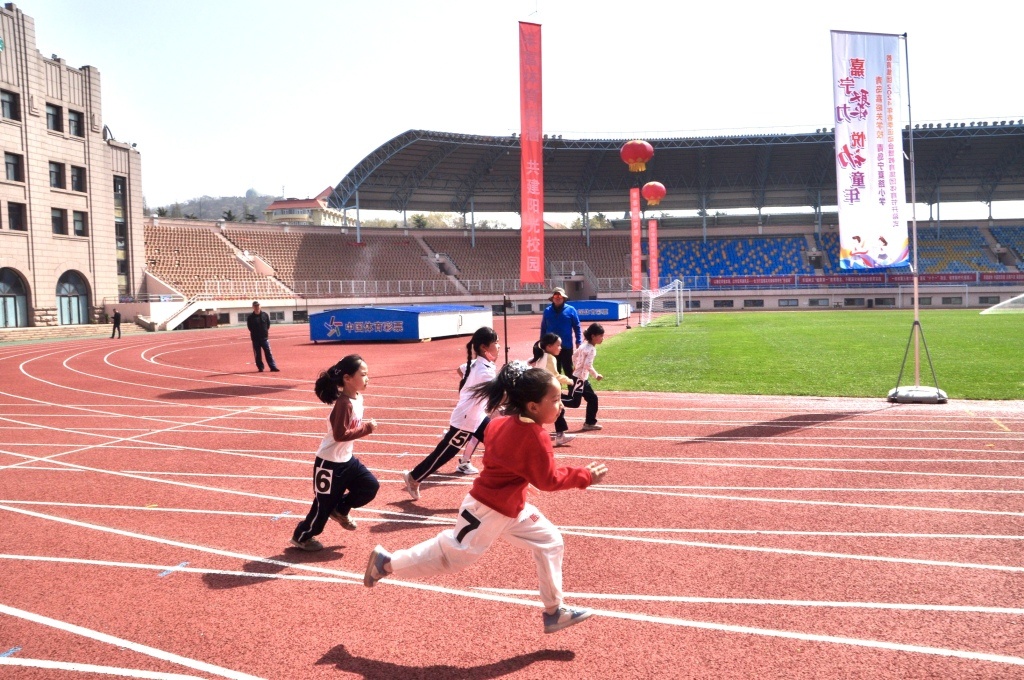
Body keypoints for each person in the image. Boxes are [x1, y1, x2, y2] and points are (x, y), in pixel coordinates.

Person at [364, 362, 609, 635]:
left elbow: (507, 459)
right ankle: (387, 563)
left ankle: (554, 611)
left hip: (511, 507)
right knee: (455, 556)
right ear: (533, 406)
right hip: (488, 510)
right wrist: (585, 476)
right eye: (554, 399)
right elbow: (548, 480)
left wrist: (521, 478)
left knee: (550, 541)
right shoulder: (536, 435)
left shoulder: (499, 423)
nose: (560, 404)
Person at [291, 354, 380, 551]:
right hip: (329, 463)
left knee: (369, 486)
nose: (367, 378)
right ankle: (302, 536)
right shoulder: (344, 404)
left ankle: (340, 508)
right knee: (322, 507)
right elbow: (340, 435)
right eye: (363, 374)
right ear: (347, 378)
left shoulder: (358, 397)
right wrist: (367, 428)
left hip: (346, 460)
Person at [402, 327, 500, 500]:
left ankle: (500, 485)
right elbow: (499, 393)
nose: (499, 346)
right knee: (445, 453)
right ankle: (414, 477)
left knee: (497, 444)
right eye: (496, 343)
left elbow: (461, 370)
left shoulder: (478, 364)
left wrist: (468, 389)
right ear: (484, 347)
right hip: (466, 418)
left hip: (477, 416)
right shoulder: (483, 371)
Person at [528, 333, 575, 447]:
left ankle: (536, 434)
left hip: (537, 389)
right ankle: (559, 435)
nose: (560, 348)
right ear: (549, 346)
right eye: (558, 345)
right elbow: (554, 375)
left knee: (538, 414)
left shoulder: (540, 356)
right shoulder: (550, 357)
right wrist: (569, 380)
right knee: (558, 409)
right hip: (545, 390)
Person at [565, 323, 605, 431]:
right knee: (575, 402)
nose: (602, 338)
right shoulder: (591, 349)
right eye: (601, 336)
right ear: (593, 336)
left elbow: (574, 356)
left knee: (591, 399)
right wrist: (596, 375)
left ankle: (589, 423)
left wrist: (576, 366)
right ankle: (554, 400)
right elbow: (587, 365)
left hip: (580, 377)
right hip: (580, 379)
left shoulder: (583, 345)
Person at [539, 287, 581, 380]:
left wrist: (578, 341)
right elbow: (543, 328)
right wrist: (541, 342)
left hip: (566, 346)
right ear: (552, 298)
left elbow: (577, 326)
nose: (558, 298)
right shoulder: (547, 311)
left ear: (564, 298)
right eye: (556, 296)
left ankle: (572, 389)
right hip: (551, 347)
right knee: (554, 372)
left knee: (568, 370)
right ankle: (557, 389)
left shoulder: (571, 310)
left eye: (560, 296)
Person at [247, 301, 279, 372]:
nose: (257, 307)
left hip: (264, 338)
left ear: (260, 306)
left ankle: (272, 367)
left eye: (258, 306)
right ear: (253, 307)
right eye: (255, 306)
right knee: (257, 354)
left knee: (268, 352)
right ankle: (260, 367)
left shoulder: (265, 315)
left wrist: (264, 332)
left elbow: (268, 325)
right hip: (255, 339)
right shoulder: (250, 317)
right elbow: (249, 327)